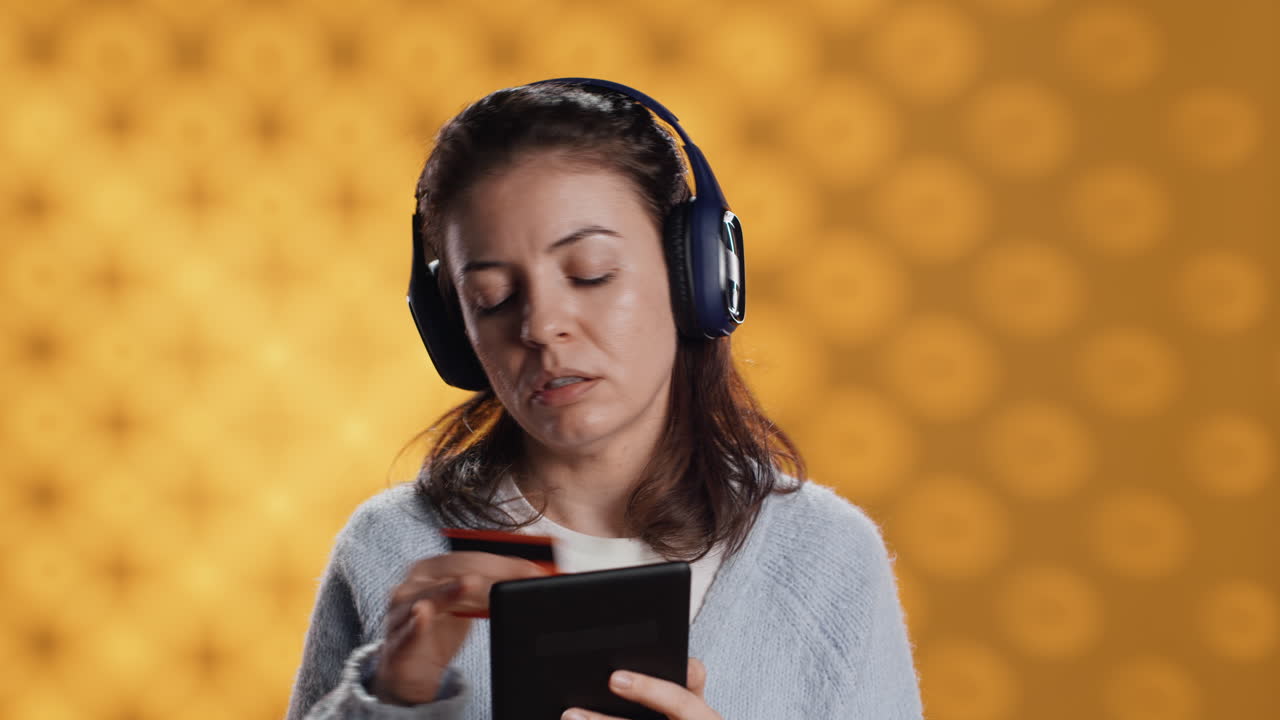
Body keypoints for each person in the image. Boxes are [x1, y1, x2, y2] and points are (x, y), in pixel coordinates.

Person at [285, 78, 923, 720]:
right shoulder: (389, 551)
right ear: (455, 329)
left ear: (694, 276)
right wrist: (390, 701)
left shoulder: (828, 560)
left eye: (590, 272)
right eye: (493, 299)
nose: (540, 325)